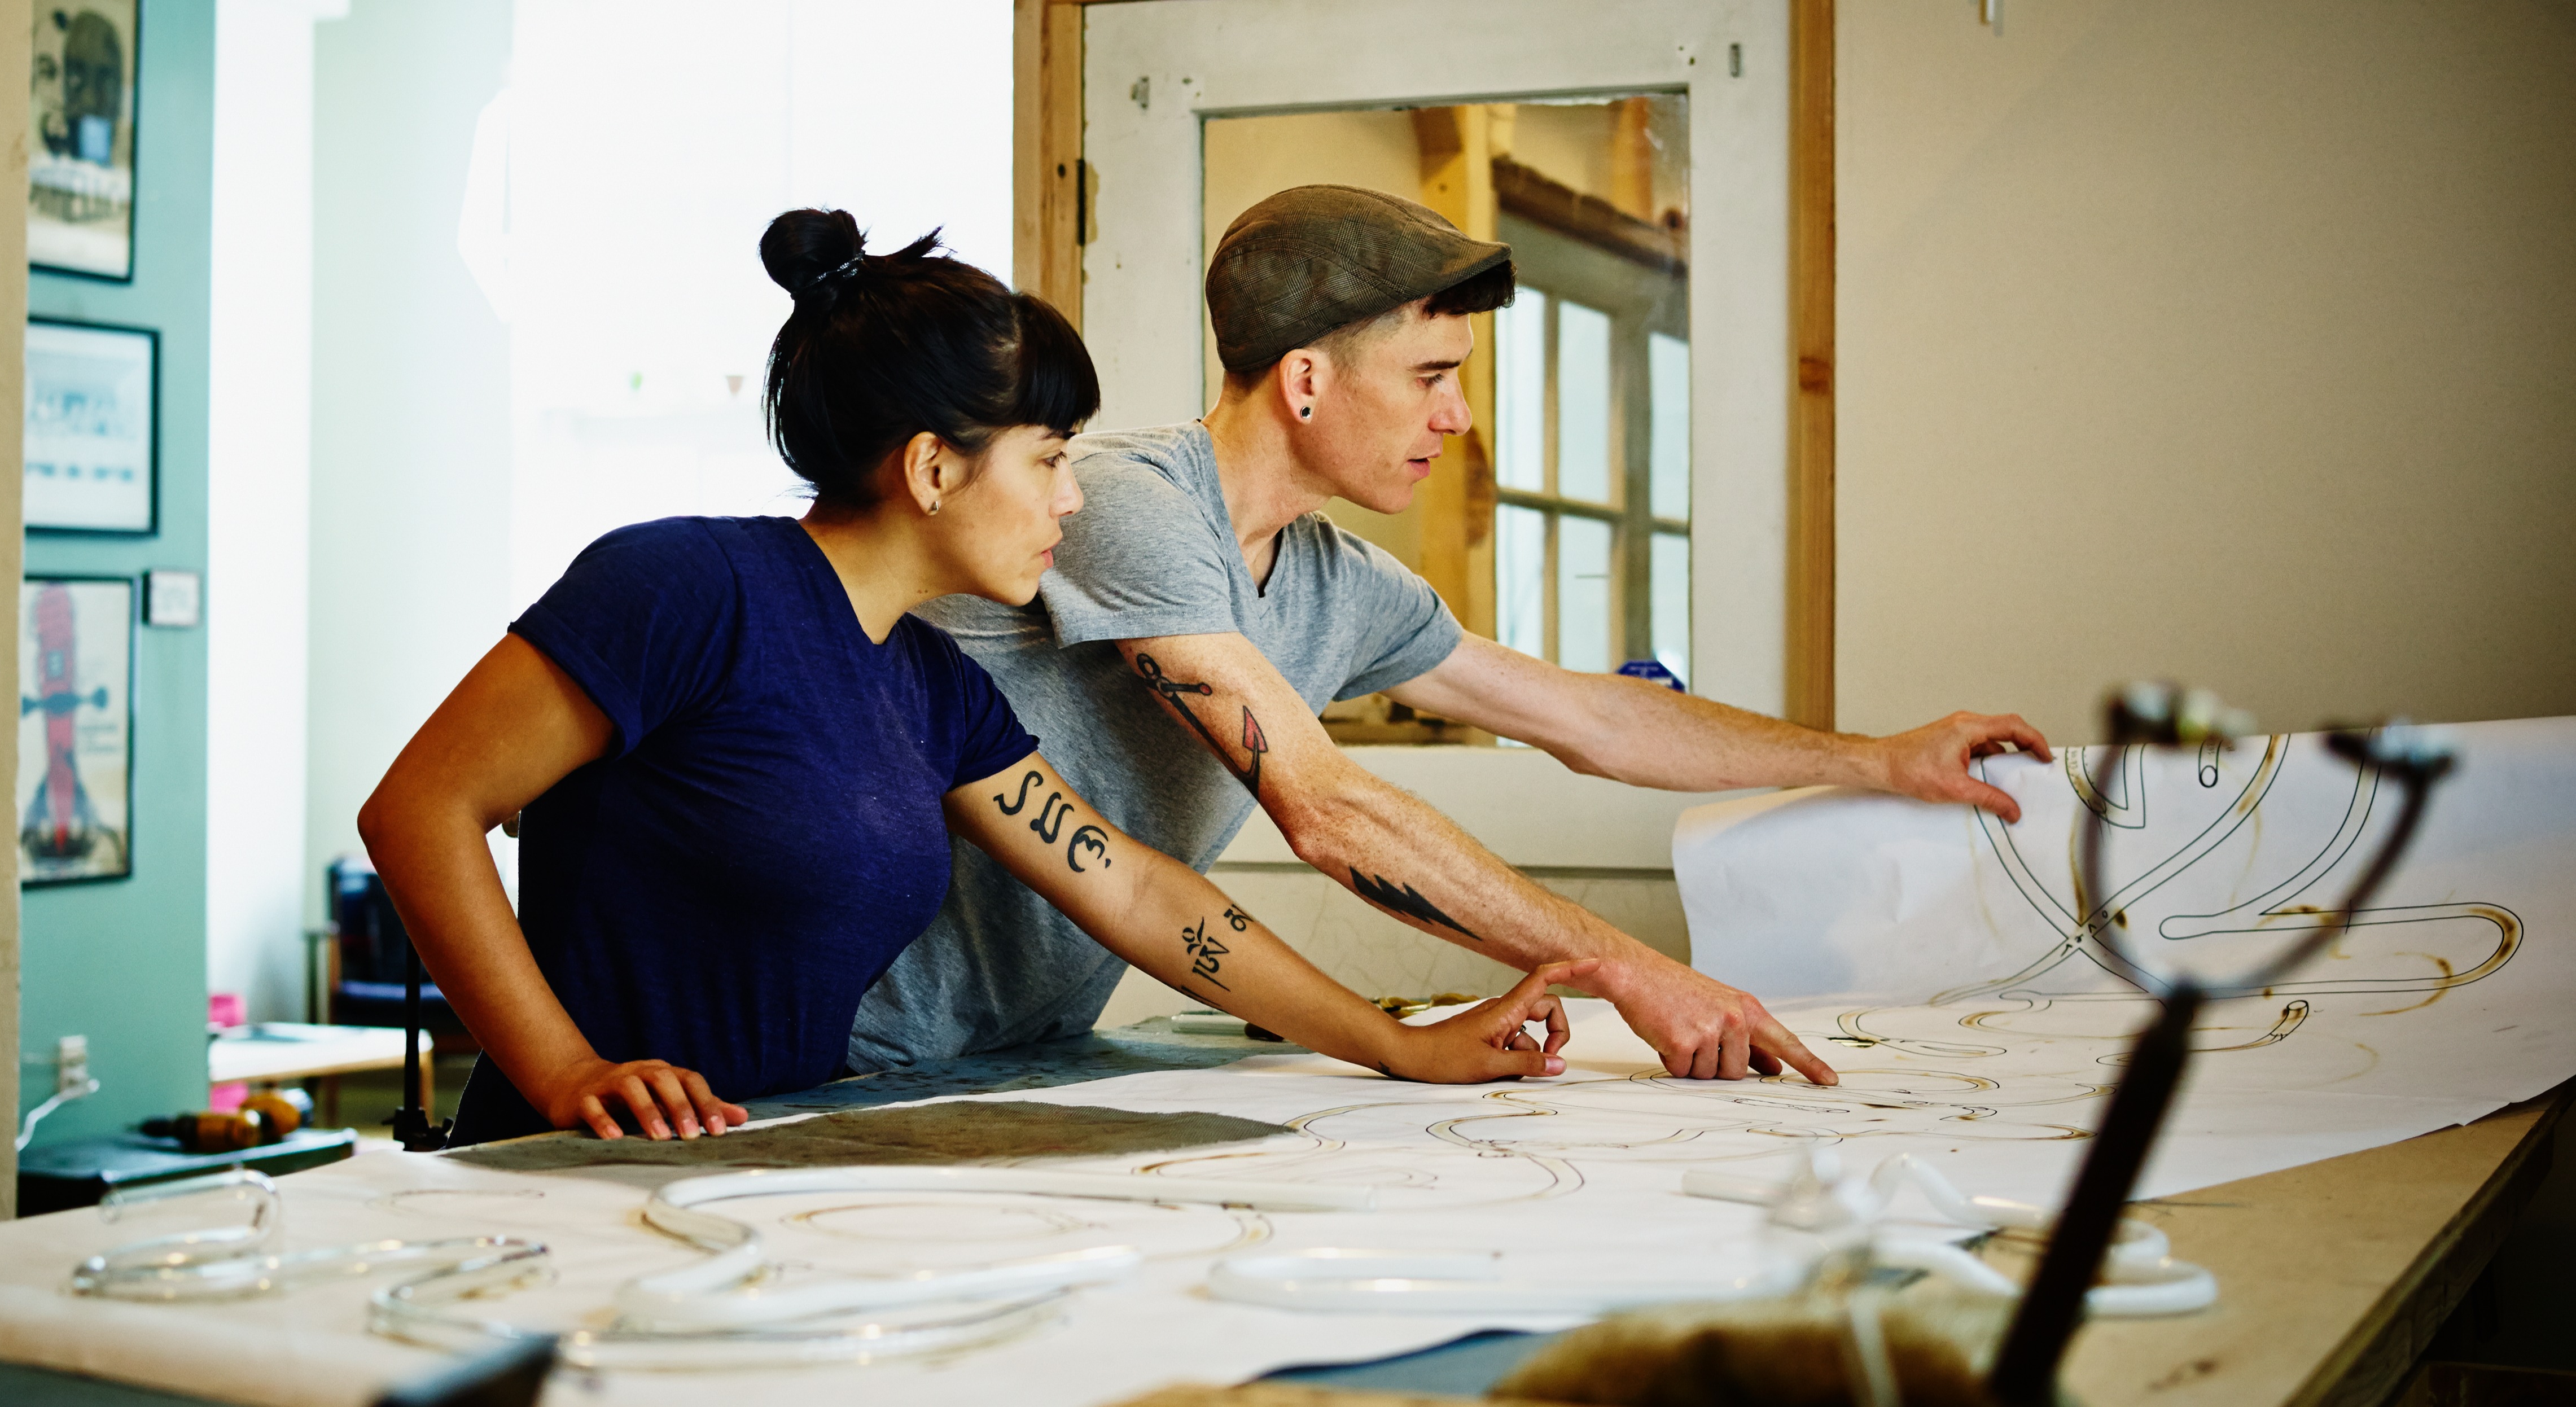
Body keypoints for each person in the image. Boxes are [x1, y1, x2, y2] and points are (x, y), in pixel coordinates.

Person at [357, 209, 1602, 1143]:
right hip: (571, 1167)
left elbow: (1131, 893)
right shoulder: (684, 587)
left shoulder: (929, 681)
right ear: (933, 469)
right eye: (1049, 458)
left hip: (768, 1154)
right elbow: (418, 809)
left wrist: (1396, 1044)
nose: (1073, 495)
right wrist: (563, 1068)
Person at [852, 185, 2054, 1086]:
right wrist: (1629, 966)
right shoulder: (1118, 503)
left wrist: (1873, 758)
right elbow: (1323, 810)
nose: (1459, 416)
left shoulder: (1341, 581)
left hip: (1029, 1046)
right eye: (1430, 374)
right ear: (1306, 382)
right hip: (848, 1037)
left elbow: (1586, 716)